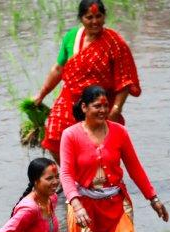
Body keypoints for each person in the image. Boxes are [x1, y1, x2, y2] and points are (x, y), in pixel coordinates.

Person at [60, 85, 168, 232]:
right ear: (84, 107)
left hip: (116, 203)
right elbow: (66, 174)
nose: (102, 110)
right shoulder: (70, 136)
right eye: (97, 106)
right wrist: (76, 204)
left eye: (105, 106)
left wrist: (153, 198)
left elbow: (134, 168)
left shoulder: (120, 132)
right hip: (84, 206)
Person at [34, 0, 141, 161]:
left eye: (99, 16)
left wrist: (115, 110)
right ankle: (70, 177)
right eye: (89, 17)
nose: (95, 21)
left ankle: (96, 181)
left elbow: (124, 81)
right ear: (81, 18)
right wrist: (41, 94)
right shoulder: (72, 37)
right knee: (54, 137)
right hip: (70, 98)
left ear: (104, 17)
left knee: (98, 148)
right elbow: (58, 69)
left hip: (98, 103)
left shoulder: (115, 43)